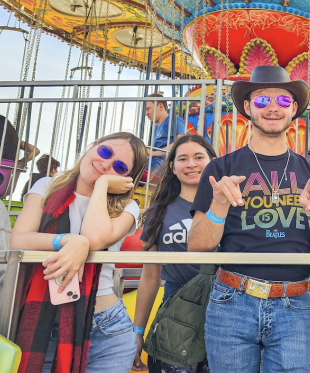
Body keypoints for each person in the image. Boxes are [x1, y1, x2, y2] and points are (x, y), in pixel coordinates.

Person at [187, 65, 310, 373]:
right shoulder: (220, 169)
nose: (273, 108)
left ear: (294, 109)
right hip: (232, 300)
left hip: (293, 303)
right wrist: (218, 205)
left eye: (283, 101)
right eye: (262, 101)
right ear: (247, 107)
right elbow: (197, 245)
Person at [10, 131, 147, 373]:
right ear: (93, 145)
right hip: (47, 323)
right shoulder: (47, 185)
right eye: (105, 152)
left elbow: (94, 238)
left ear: (126, 179)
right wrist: (69, 241)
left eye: (118, 166)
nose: (105, 164)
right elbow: (19, 239)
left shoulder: (127, 206)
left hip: (108, 329)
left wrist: (102, 185)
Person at [132, 134, 217, 372]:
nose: (191, 164)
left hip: (224, 313)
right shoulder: (159, 212)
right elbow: (150, 277)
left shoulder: (229, 206)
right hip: (176, 315)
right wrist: (138, 332)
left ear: (212, 161)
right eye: (183, 159)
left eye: (199, 157)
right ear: (172, 167)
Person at [144, 93, 186, 174]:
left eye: (148, 109)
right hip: (154, 162)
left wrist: (154, 153)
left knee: (133, 164)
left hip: (164, 163)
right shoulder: (156, 127)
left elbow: (181, 142)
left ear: (160, 106)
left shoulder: (173, 120)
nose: (146, 113)